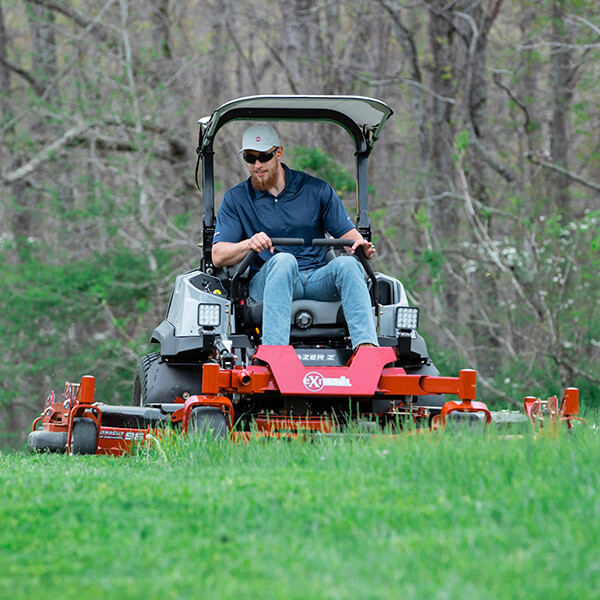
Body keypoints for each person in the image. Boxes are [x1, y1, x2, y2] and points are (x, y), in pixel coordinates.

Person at [211, 124, 379, 349]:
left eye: (264, 157)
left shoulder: (316, 190)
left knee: (349, 265)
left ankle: (367, 351)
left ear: (278, 153)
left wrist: (360, 246)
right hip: (271, 279)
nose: (257, 165)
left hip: (317, 278)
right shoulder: (236, 199)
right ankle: (275, 352)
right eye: (250, 158)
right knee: (284, 260)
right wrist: (249, 243)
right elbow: (218, 256)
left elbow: (351, 237)